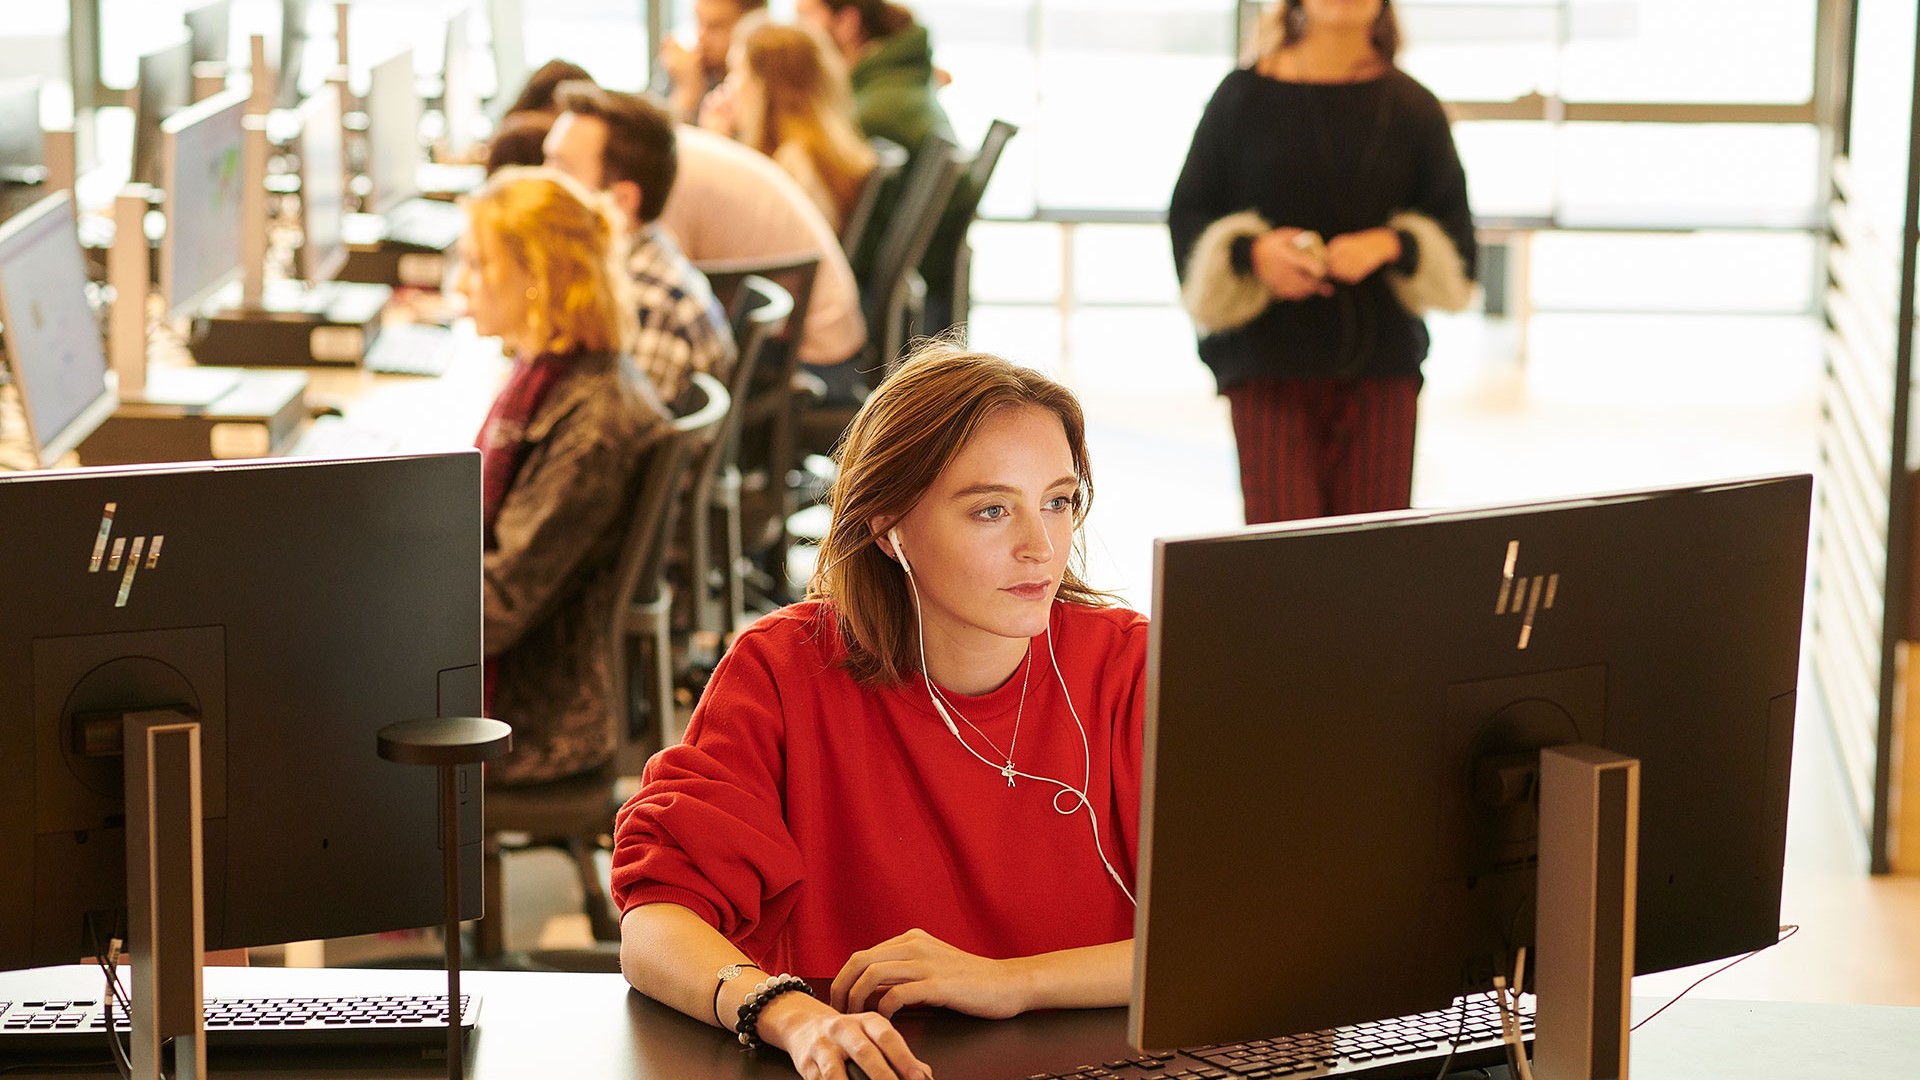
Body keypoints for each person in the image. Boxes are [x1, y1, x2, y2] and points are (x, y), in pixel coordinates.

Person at [609, 343, 1148, 1079]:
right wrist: (789, 1013)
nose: (1041, 547)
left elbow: (1243, 933)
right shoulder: (782, 668)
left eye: (1058, 501)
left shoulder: (1132, 668)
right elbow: (657, 922)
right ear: (885, 524)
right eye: (993, 510)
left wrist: (1009, 981)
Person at [1168, 0, 1475, 525]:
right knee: (1283, 557)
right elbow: (1189, 214)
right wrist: (1252, 252)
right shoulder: (1241, 98)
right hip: (1267, 365)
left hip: (1381, 369)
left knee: (1369, 559)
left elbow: (1458, 241)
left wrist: (1391, 243)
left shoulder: (1413, 106)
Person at [459, 167, 674, 787]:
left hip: (534, 713)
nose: (460, 285)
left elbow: (499, 605)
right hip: (534, 665)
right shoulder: (551, 378)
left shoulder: (591, 423)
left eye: (478, 265)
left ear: (537, 278)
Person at [542, 83, 734, 404]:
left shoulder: (648, 305)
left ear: (622, 201)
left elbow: (615, 445)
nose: (539, 184)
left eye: (561, 171)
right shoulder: (622, 265)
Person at [710, 21, 877, 233]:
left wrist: (718, 149)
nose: (728, 85)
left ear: (765, 86)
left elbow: (744, 236)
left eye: (736, 72)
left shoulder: (794, 164)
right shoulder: (814, 151)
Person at [659, 0, 769, 122]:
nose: (701, 36)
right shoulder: (685, 71)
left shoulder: (764, 85)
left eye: (715, 26)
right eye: (698, 21)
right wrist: (686, 93)